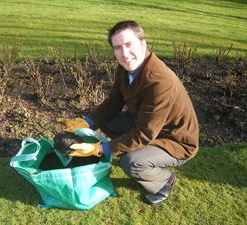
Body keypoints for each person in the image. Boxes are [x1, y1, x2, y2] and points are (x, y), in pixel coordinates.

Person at [60, 20, 199, 206]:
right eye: (118, 47)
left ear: (143, 43)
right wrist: (86, 122)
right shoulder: (126, 68)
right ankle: (140, 151)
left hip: (175, 140)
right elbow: (113, 103)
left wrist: (99, 149)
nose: (124, 54)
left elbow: (144, 134)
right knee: (107, 121)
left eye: (128, 44)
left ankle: (164, 181)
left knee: (131, 162)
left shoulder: (160, 81)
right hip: (147, 126)